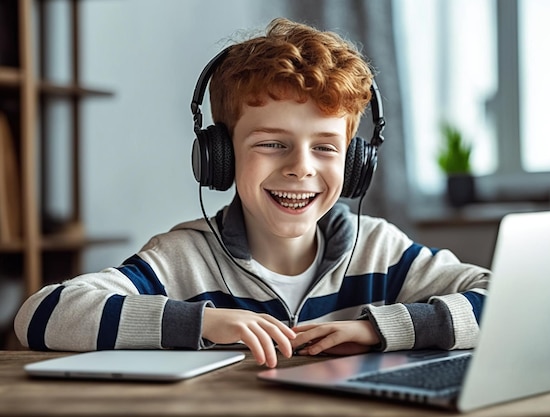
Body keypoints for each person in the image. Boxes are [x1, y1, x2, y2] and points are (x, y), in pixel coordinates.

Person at [14, 18, 489, 368]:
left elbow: (500, 299)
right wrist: (202, 322)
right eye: (271, 144)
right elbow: (42, 315)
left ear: (354, 161)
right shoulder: (185, 259)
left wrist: (377, 329)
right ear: (219, 155)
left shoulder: (379, 249)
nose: (300, 167)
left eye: (325, 147)